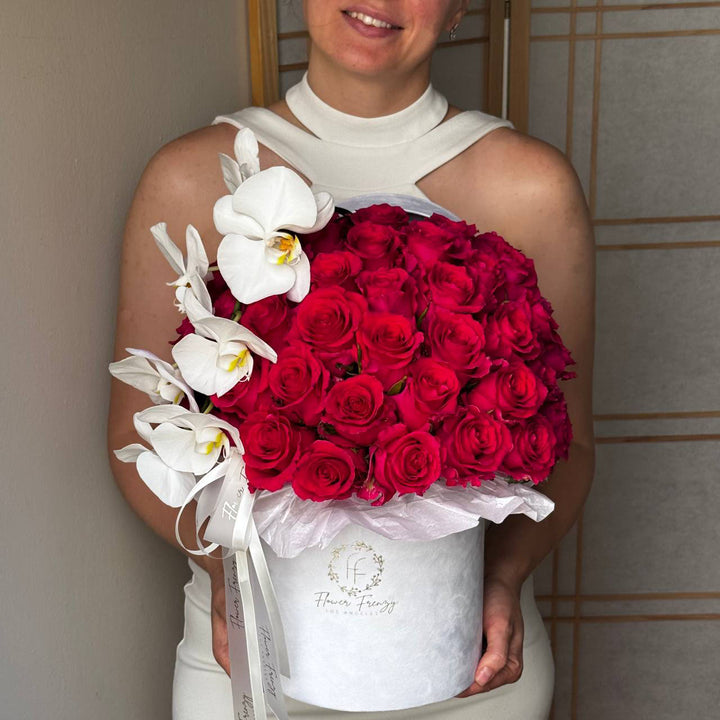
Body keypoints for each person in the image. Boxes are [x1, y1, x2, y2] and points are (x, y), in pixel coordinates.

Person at [108, 1, 596, 717]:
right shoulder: (189, 177)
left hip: (462, 654)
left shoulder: (530, 188)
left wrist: (505, 574)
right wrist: (228, 580)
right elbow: (138, 436)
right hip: (255, 652)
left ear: (462, 6)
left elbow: (572, 444)